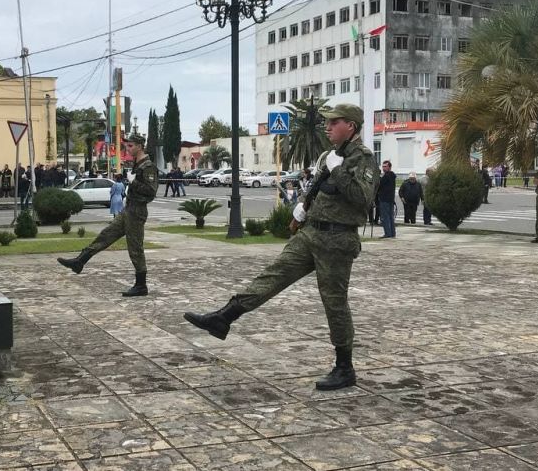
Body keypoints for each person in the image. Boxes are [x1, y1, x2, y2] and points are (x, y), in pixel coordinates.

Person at [183, 104, 379, 391]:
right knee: (272, 276)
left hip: (337, 241)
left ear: (350, 126)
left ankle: (344, 367)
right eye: (327, 122)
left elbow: (362, 198)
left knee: (334, 302)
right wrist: (303, 205)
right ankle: (224, 317)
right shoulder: (331, 156)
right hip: (311, 232)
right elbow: (315, 186)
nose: (327, 127)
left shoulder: (363, 159)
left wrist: (339, 173)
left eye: (334, 122)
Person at [57, 133, 158, 297]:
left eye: (131, 145)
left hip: (137, 212)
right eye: (128, 145)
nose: (128, 148)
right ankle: (80, 261)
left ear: (140, 146)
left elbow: (151, 192)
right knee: (106, 235)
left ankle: (141, 285)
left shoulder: (148, 166)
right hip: (128, 209)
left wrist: (134, 181)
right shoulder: (136, 164)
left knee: (135, 248)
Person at [377, 160, 396, 238]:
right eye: (383, 166)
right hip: (390, 199)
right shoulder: (391, 175)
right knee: (390, 216)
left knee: (385, 217)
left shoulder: (387, 176)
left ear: (389, 167)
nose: (383, 168)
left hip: (385, 199)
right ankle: (392, 233)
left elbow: (379, 184)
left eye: (385, 166)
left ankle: (388, 233)